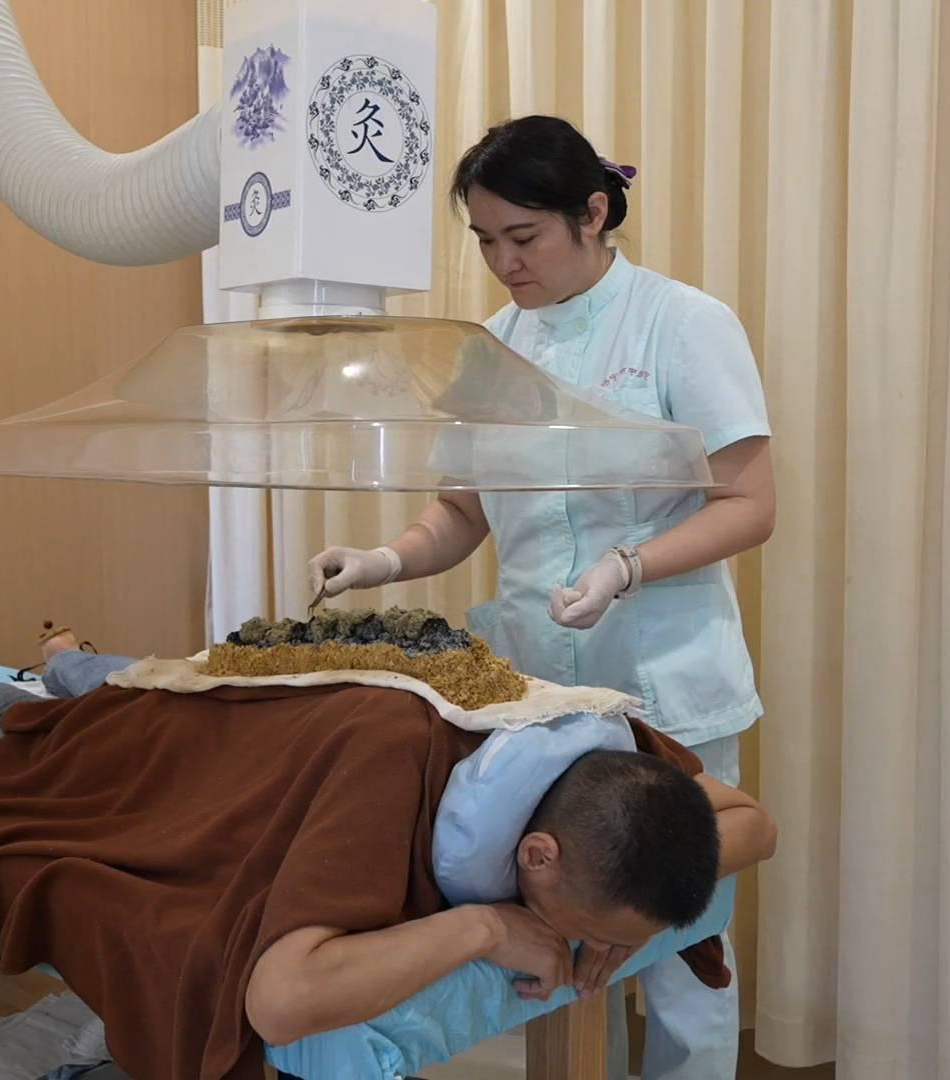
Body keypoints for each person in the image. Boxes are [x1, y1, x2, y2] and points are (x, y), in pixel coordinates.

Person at [308, 114, 776, 1080]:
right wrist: (382, 561)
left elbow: (750, 504)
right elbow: (460, 513)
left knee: (678, 938)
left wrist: (626, 567)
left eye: (523, 237)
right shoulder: (489, 349)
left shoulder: (682, 324)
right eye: (485, 241)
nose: (503, 263)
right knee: (561, 917)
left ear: (593, 214)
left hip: (663, 679)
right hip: (543, 702)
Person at [0, 632, 776, 1060]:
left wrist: (619, 924)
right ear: (536, 855)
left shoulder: (604, 759)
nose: (594, 948)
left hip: (294, 712)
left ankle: (67, 650)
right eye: (589, 933)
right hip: (173, 746)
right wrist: (485, 928)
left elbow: (754, 824)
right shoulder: (391, 774)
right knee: (40, 728)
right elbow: (281, 1000)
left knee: (127, 677)